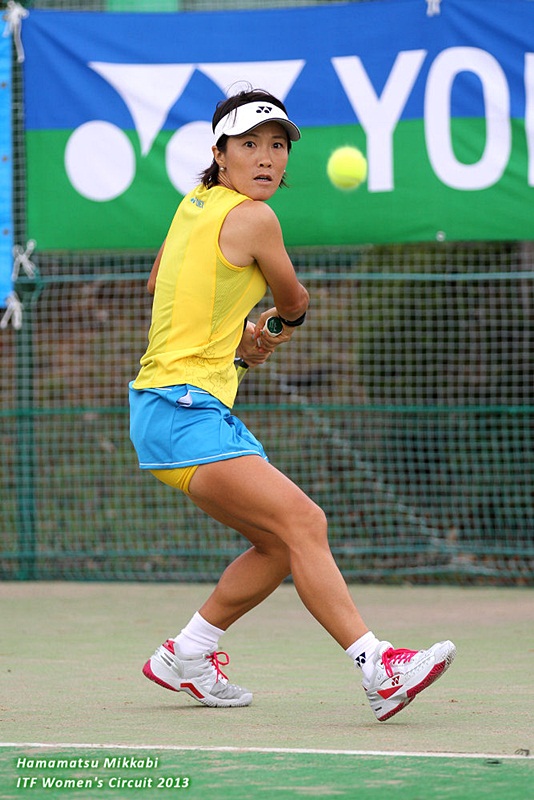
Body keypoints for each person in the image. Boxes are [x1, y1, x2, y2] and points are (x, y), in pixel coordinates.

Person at [129, 88, 456, 721]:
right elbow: (295, 300)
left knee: (279, 544)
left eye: (277, 145)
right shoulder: (256, 218)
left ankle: (186, 654)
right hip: (182, 408)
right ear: (220, 153)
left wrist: (241, 342)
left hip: (171, 408)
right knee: (305, 522)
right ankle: (379, 667)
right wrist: (277, 324)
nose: (266, 158)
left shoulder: (193, 205)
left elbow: (160, 283)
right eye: (249, 144)